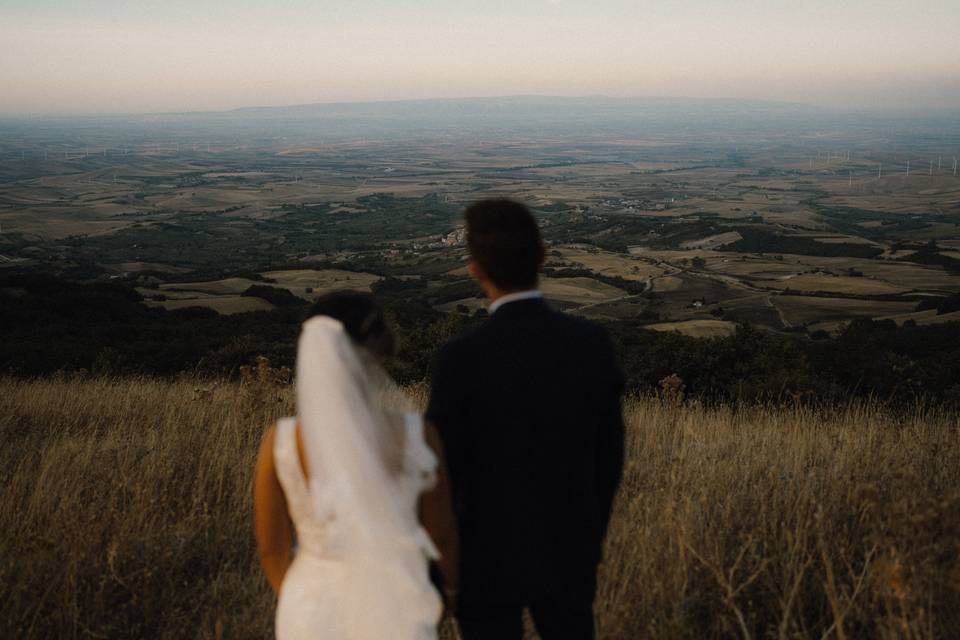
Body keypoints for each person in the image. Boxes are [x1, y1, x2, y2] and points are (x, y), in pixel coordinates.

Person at [427, 199, 625, 640]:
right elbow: (608, 457)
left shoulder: (459, 358)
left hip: (484, 554)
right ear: (543, 256)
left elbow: (443, 472)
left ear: (475, 270)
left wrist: (445, 565)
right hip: (569, 545)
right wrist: (591, 534)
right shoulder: (591, 344)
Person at [254, 291, 459, 640]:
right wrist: (447, 596)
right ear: (380, 348)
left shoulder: (281, 441)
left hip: (309, 611)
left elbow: (271, 548)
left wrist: (300, 597)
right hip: (399, 605)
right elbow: (440, 534)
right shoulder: (418, 436)